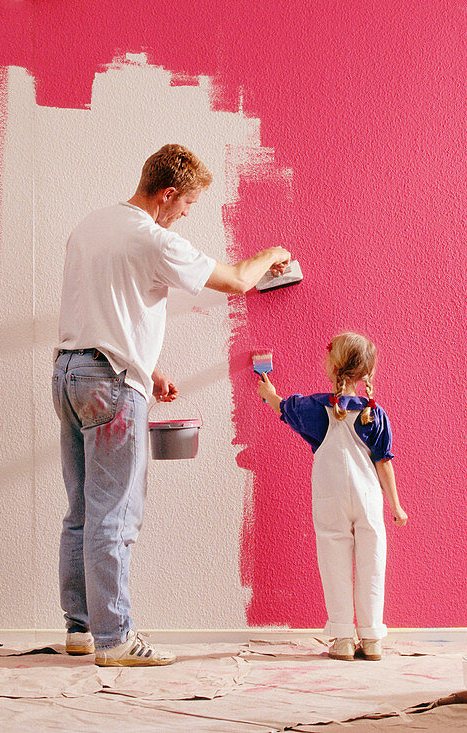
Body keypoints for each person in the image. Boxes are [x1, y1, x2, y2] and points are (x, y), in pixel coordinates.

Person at [53, 144, 291, 667]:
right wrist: (272, 255)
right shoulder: (155, 239)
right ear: (167, 194)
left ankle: (82, 628)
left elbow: (103, 310)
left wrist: (148, 368)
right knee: (114, 514)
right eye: (188, 204)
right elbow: (235, 280)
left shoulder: (91, 226)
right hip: (111, 384)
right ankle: (115, 640)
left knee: (82, 511)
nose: (187, 213)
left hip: (70, 375)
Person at [255, 331, 408, 661]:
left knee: (334, 564)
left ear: (333, 366)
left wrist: (268, 393)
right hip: (368, 500)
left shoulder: (313, 408)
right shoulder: (374, 414)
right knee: (373, 566)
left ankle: (341, 638)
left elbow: (282, 406)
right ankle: (372, 639)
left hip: (330, 500)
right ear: (365, 372)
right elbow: (384, 462)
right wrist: (396, 505)